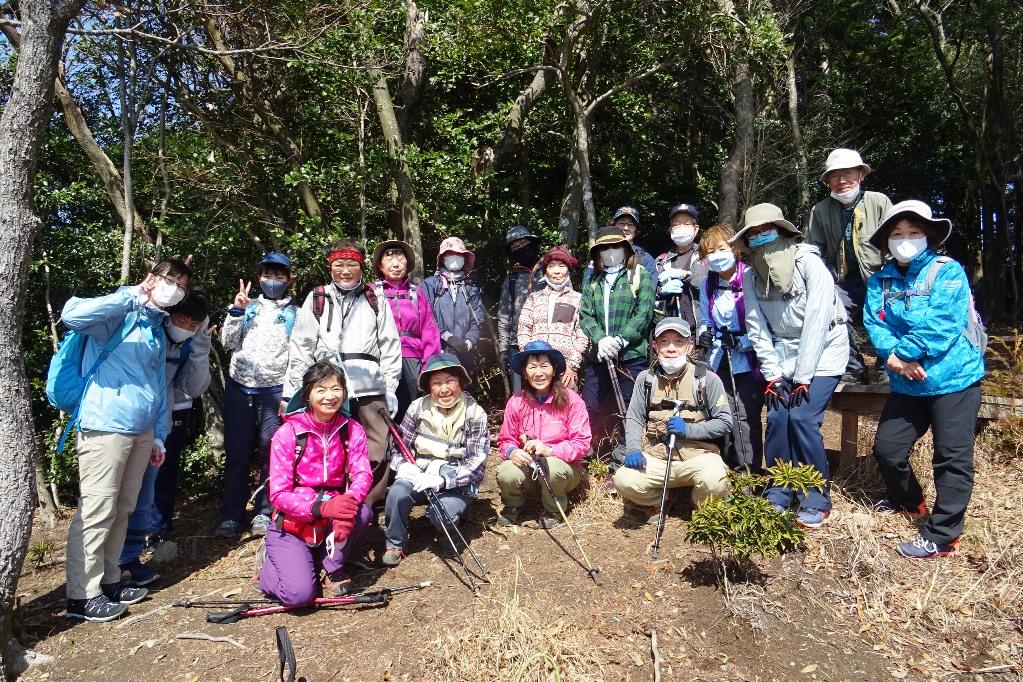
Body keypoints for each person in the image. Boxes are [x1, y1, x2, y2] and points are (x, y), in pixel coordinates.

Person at [61, 258, 190, 622]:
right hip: (105, 425)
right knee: (97, 509)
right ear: (151, 277)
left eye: (181, 286)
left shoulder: (155, 326)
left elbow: (157, 389)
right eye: (169, 280)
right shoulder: (119, 310)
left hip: (141, 430)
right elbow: (73, 315)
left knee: (123, 509)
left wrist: (160, 436)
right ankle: (81, 596)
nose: (174, 288)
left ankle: (110, 580)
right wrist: (132, 295)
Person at [863, 200, 986, 559]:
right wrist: (894, 358)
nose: (905, 239)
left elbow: (943, 322)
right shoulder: (880, 279)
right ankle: (909, 501)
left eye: (913, 232)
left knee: (951, 457)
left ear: (928, 235)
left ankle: (944, 534)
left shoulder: (947, 271)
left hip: (955, 380)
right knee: (887, 448)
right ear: (886, 241)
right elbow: (875, 322)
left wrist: (906, 354)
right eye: (897, 234)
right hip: (907, 382)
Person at [734, 203, 848, 529]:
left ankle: (815, 495)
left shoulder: (809, 263)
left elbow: (817, 319)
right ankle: (780, 489)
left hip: (825, 349)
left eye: (765, 231)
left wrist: (803, 377)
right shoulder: (751, 275)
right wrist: (772, 375)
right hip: (783, 352)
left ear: (782, 231)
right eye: (752, 234)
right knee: (777, 415)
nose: (759, 238)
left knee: (801, 416)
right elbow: (756, 327)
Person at [285, 240, 402, 510]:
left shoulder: (374, 298)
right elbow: (301, 346)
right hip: (328, 388)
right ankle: (334, 505)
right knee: (332, 448)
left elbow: (390, 344)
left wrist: (390, 387)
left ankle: (369, 505)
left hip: (370, 385)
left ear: (361, 266)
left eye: (352, 264)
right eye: (339, 264)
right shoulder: (317, 297)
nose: (345, 270)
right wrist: (296, 391)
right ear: (330, 266)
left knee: (377, 446)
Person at [259, 361, 374, 606]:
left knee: (361, 512)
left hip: (331, 512)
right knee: (298, 596)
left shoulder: (351, 429)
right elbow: (278, 494)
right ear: (307, 395)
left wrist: (348, 503)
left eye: (336, 389)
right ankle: (268, 566)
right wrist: (320, 508)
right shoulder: (288, 433)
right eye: (321, 390)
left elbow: (363, 473)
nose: (330, 396)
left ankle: (330, 565)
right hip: (293, 522)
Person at [119, 289, 212, 586]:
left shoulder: (186, 343)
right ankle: (110, 565)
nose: (184, 326)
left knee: (155, 483)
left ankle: (140, 548)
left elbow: (194, 387)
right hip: (126, 420)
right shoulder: (145, 332)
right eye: (181, 320)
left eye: (192, 323)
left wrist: (200, 344)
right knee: (123, 491)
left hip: (164, 421)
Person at [613, 318, 732, 524]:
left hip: (698, 455)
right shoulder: (645, 379)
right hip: (657, 457)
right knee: (623, 481)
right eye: (664, 341)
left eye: (678, 342)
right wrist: (632, 449)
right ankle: (662, 500)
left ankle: (699, 504)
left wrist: (688, 430)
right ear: (655, 346)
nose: (671, 348)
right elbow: (634, 417)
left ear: (690, 346)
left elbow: (725, 422)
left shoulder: (707, 379)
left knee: (716, 481)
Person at [217, 252, 298, 538]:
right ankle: (231, 515)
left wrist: (290, 394)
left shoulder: (295, 314)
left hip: (275, 391)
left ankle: (265, 512)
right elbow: (227, 342)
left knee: (271, 453)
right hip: (240, 389)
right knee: (237, 454)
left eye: (279, 276)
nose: (272, 281)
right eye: (268, 275)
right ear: (259, 277)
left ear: (289, 279)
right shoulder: (246, 307)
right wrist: (236, 312)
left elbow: (298, 357)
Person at [381, 354, 489, 566]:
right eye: (436, 383)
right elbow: (399, 447)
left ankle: (450, 529)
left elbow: (477, 466)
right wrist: (403, 466)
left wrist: (442, 481)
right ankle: (395, 542)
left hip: (455, 482)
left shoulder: (475, 413)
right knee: (397, 492)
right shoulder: (417, 407)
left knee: (442, 514)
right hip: (420, 474)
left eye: (450, 381)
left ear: (460, 382)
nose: (444, 389)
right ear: (428, 386)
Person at [806, 148, 893, 383]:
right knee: (829, 307)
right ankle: (852, 365)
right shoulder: (820, 210)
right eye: (835, 176)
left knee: (888, 311)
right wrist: (822, 280)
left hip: (881, 275)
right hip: (844, 280)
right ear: (828, 182)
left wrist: (892, 276)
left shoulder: (879, 202)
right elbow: (814, 250)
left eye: (848, 173)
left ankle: (888, 364)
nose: (842, 180)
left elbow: (893, 240)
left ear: (861, 175)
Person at [495, 341, 592, 528]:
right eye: (532, 367)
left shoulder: (572, 400)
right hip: (530, 468)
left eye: (544, 366)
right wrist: (512, 452)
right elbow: (506, 440)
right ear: (524, 372)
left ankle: (553, 509)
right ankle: (513, 505)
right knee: (505, 471)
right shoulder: (516, 402)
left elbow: (581, 444)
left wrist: (549, 450)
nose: (538, 373)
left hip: (563, 469)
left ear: (554, 369)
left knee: (552, 467)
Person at [578, 225, 655, 452]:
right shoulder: (593, 281)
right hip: (600, 356)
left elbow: (644, 314)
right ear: (598, 253)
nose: (611, 251)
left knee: (630, 407)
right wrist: (600, 339)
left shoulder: (640, 275)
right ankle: (584, 454)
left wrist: (621, 340)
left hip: (631, 355)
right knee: (589, 405)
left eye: (616, 246)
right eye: (605, 248)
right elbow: (585, 314)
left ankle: (625, 455)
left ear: (625, 249)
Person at [695, 225, 765, 473]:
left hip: (748, 360)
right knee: (721, 413)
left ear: (734, 249)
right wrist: (703, 335)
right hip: (719, 358)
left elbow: (763, 322)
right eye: (710, 252)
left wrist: (743, 341)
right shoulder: (707, 284)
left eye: (721, 249)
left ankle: (750, 472)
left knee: (745, 415)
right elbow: (705, 320)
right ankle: (725, 468)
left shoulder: (751, 277)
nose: (716, 255)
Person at [371, 239, 441, 422]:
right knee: (381, 407)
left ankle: (410, 447)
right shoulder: (370, 292)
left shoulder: (416, 293)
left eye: (400, 259)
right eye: (389, 259)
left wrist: (429, 367)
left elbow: (429, 331)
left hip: (412, 357)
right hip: (380, 357)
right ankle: (386, 448)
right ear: (380, 265)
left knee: (413, 407)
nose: (396, 264)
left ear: (407, 264)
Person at [516, 245, 589, 389]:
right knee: (536, 409)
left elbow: (583, 335)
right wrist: (529, 360)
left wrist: (572, 365)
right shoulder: (534, 298)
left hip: (565, 369)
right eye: (551, 266)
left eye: (561, 266)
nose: (556, 271)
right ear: (546, 270)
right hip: (537, 369)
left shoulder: (578, 299)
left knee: (565, 407)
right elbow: (523, 329)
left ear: (568, 269)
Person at [421, 237, 485, 376]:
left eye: (459, 255)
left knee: (463, 390)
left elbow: (478, 320)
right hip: (437, 350)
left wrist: (468, 342)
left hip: (464, 353)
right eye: (450, 254)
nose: (455, 258)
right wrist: (447, 337)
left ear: (465, 258)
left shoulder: (470, 288)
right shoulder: (430, 285)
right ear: (442, 258)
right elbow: (426, 317)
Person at [497, 226, 546, 392]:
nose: (520, 249)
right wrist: (503, 349)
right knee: (520, 396)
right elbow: (504, 315)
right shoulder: (511, 279)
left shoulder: (550, 270)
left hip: (546, 342)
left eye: (523, 244)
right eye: (515, 248)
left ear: (532, 243)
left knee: (547, 394)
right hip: (516, 345)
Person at [581, 206, 657, 293]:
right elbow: (586, 286)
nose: (626, 228)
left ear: (636, 229)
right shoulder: (601, 253)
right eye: (621, 223)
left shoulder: (645, 258)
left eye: (631, 224)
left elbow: (650, 289)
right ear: (613, 225)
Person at [655, 203, 707, 329]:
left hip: (702, 331)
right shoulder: (661, 261)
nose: (681, 227)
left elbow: (712, 284)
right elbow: (650, 297)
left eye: (687, 223)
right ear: (670, 230)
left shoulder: (706, 255)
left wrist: (685, 274)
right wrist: (661, 292)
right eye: (676, 224)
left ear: (696, 229)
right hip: (671, 332)